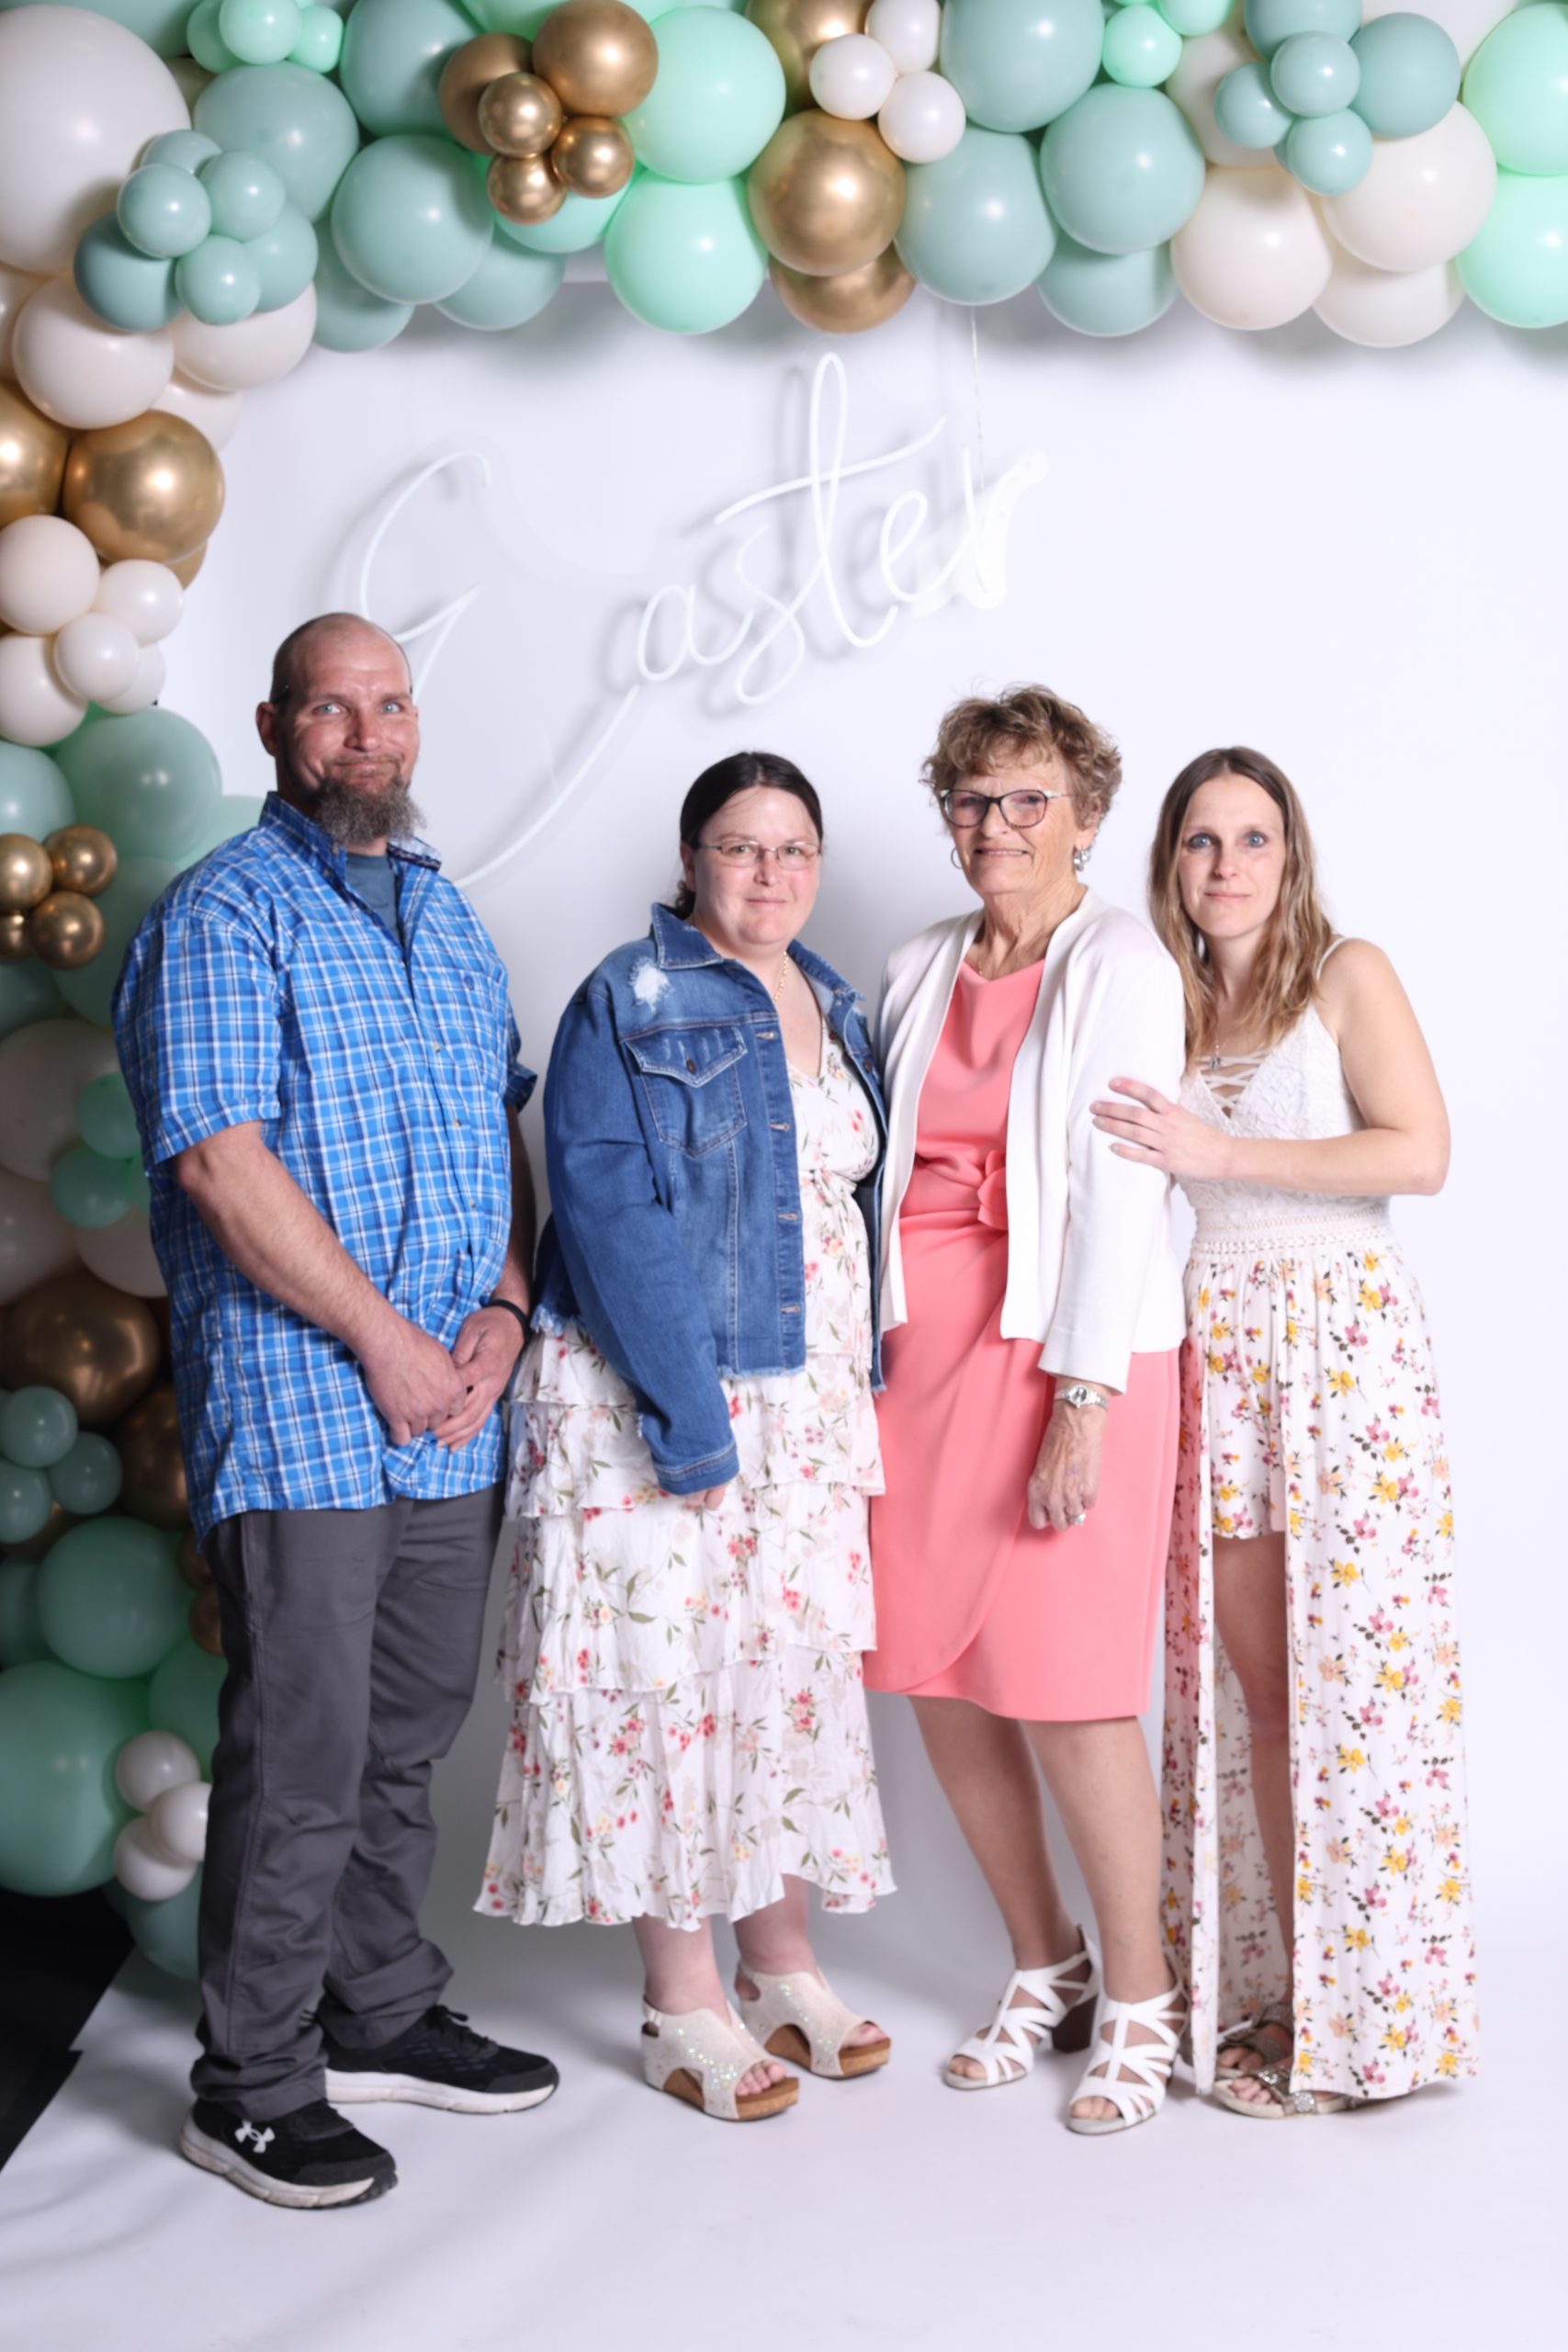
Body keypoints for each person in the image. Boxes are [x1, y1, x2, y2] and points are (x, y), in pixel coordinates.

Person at [114, 614, 558, 2211]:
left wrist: (505, 1307)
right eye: (329, 708)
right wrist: (379, 1338)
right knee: (302, 1746)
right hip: (306, 1393)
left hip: (451, 1401)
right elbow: (220, 1159)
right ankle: (249, 2085)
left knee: (408, 1732)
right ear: (273, 726)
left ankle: (377, 2010)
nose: (365, 735)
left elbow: (498, 1132)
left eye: (389, 706)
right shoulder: (223, 913)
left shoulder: (447, 918)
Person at [479, 752, 892, 2122]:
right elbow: (606, 1214)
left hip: (806, 1406)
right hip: (663, 1395)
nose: (770, 874)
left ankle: (780, 1966)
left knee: (774, 1678)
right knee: (666, 1683)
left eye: (793, 849)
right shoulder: (628, 997)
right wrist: (692, 1424)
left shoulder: (835, 999)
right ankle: (683, 2002)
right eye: (739, 846)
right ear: (690, 859)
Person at [1095, 746, 1480, 2114]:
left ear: (1291, 854)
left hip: (1345, 1350)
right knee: (1262, 1696)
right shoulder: (1165, 1000)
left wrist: (1225, 1156)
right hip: (1222, 1350)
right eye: (1201, 840)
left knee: (1357, 1692)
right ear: (1171, 862)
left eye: (1253, 838)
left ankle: (1373, 2019)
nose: (1228, 865)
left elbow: (1420, 1153)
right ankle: (1291, 1994)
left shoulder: (1346, 972)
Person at [867, 687, 1188, 2136]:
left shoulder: (1122, 961)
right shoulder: (914, 965)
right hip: (919, 1364)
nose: (995, 824)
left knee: (1068, 1684)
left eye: (1028, 799)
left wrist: (1084, 1398)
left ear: (1085, 818)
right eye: (972, 799)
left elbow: (1123, 1190)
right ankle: (1043, 1964)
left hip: (1070, 1357)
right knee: (937, 1672)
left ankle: (1142, 1999)